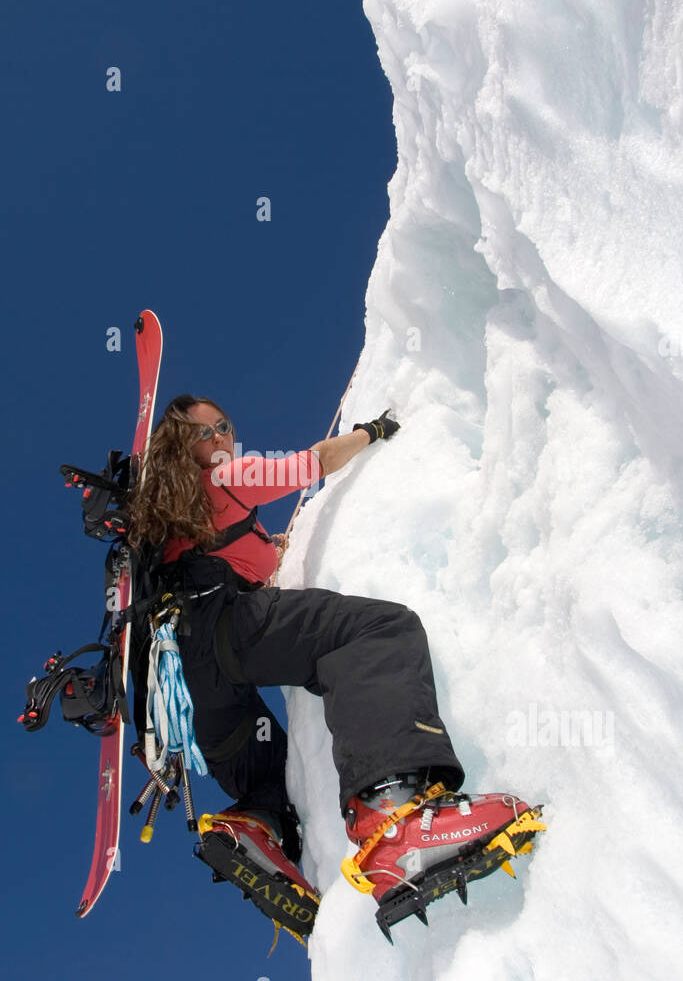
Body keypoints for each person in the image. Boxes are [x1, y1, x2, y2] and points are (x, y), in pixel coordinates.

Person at [125, 394, 539, 941]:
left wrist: (264, 550)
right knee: (378, 631)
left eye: (227, 424)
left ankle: (253, 828)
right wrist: (370, 431)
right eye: (212, 429)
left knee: (271, 772)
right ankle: (395, 821)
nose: (225, 436)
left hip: (184, 677)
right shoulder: (228, 476)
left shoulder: (174, 520)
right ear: (189, 446)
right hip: (226, 625)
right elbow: (312, 463)